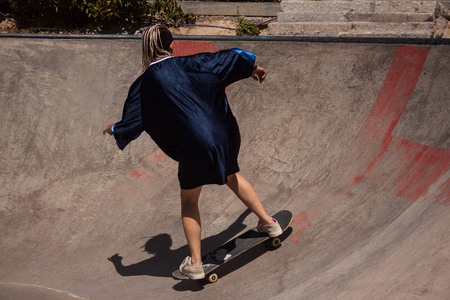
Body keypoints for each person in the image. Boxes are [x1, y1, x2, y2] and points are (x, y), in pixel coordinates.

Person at [103, 24, 282, 280]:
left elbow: (130, 122)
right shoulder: (197, 62)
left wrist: (112, 129)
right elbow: (233, 56)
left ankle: (196, 263)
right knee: (231, 176)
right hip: (226, 135)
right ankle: (269, 223)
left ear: (145, 49)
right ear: (172, 45)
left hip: (194, 145)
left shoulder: (145, 84)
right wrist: (254, 69)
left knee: (189, 200)